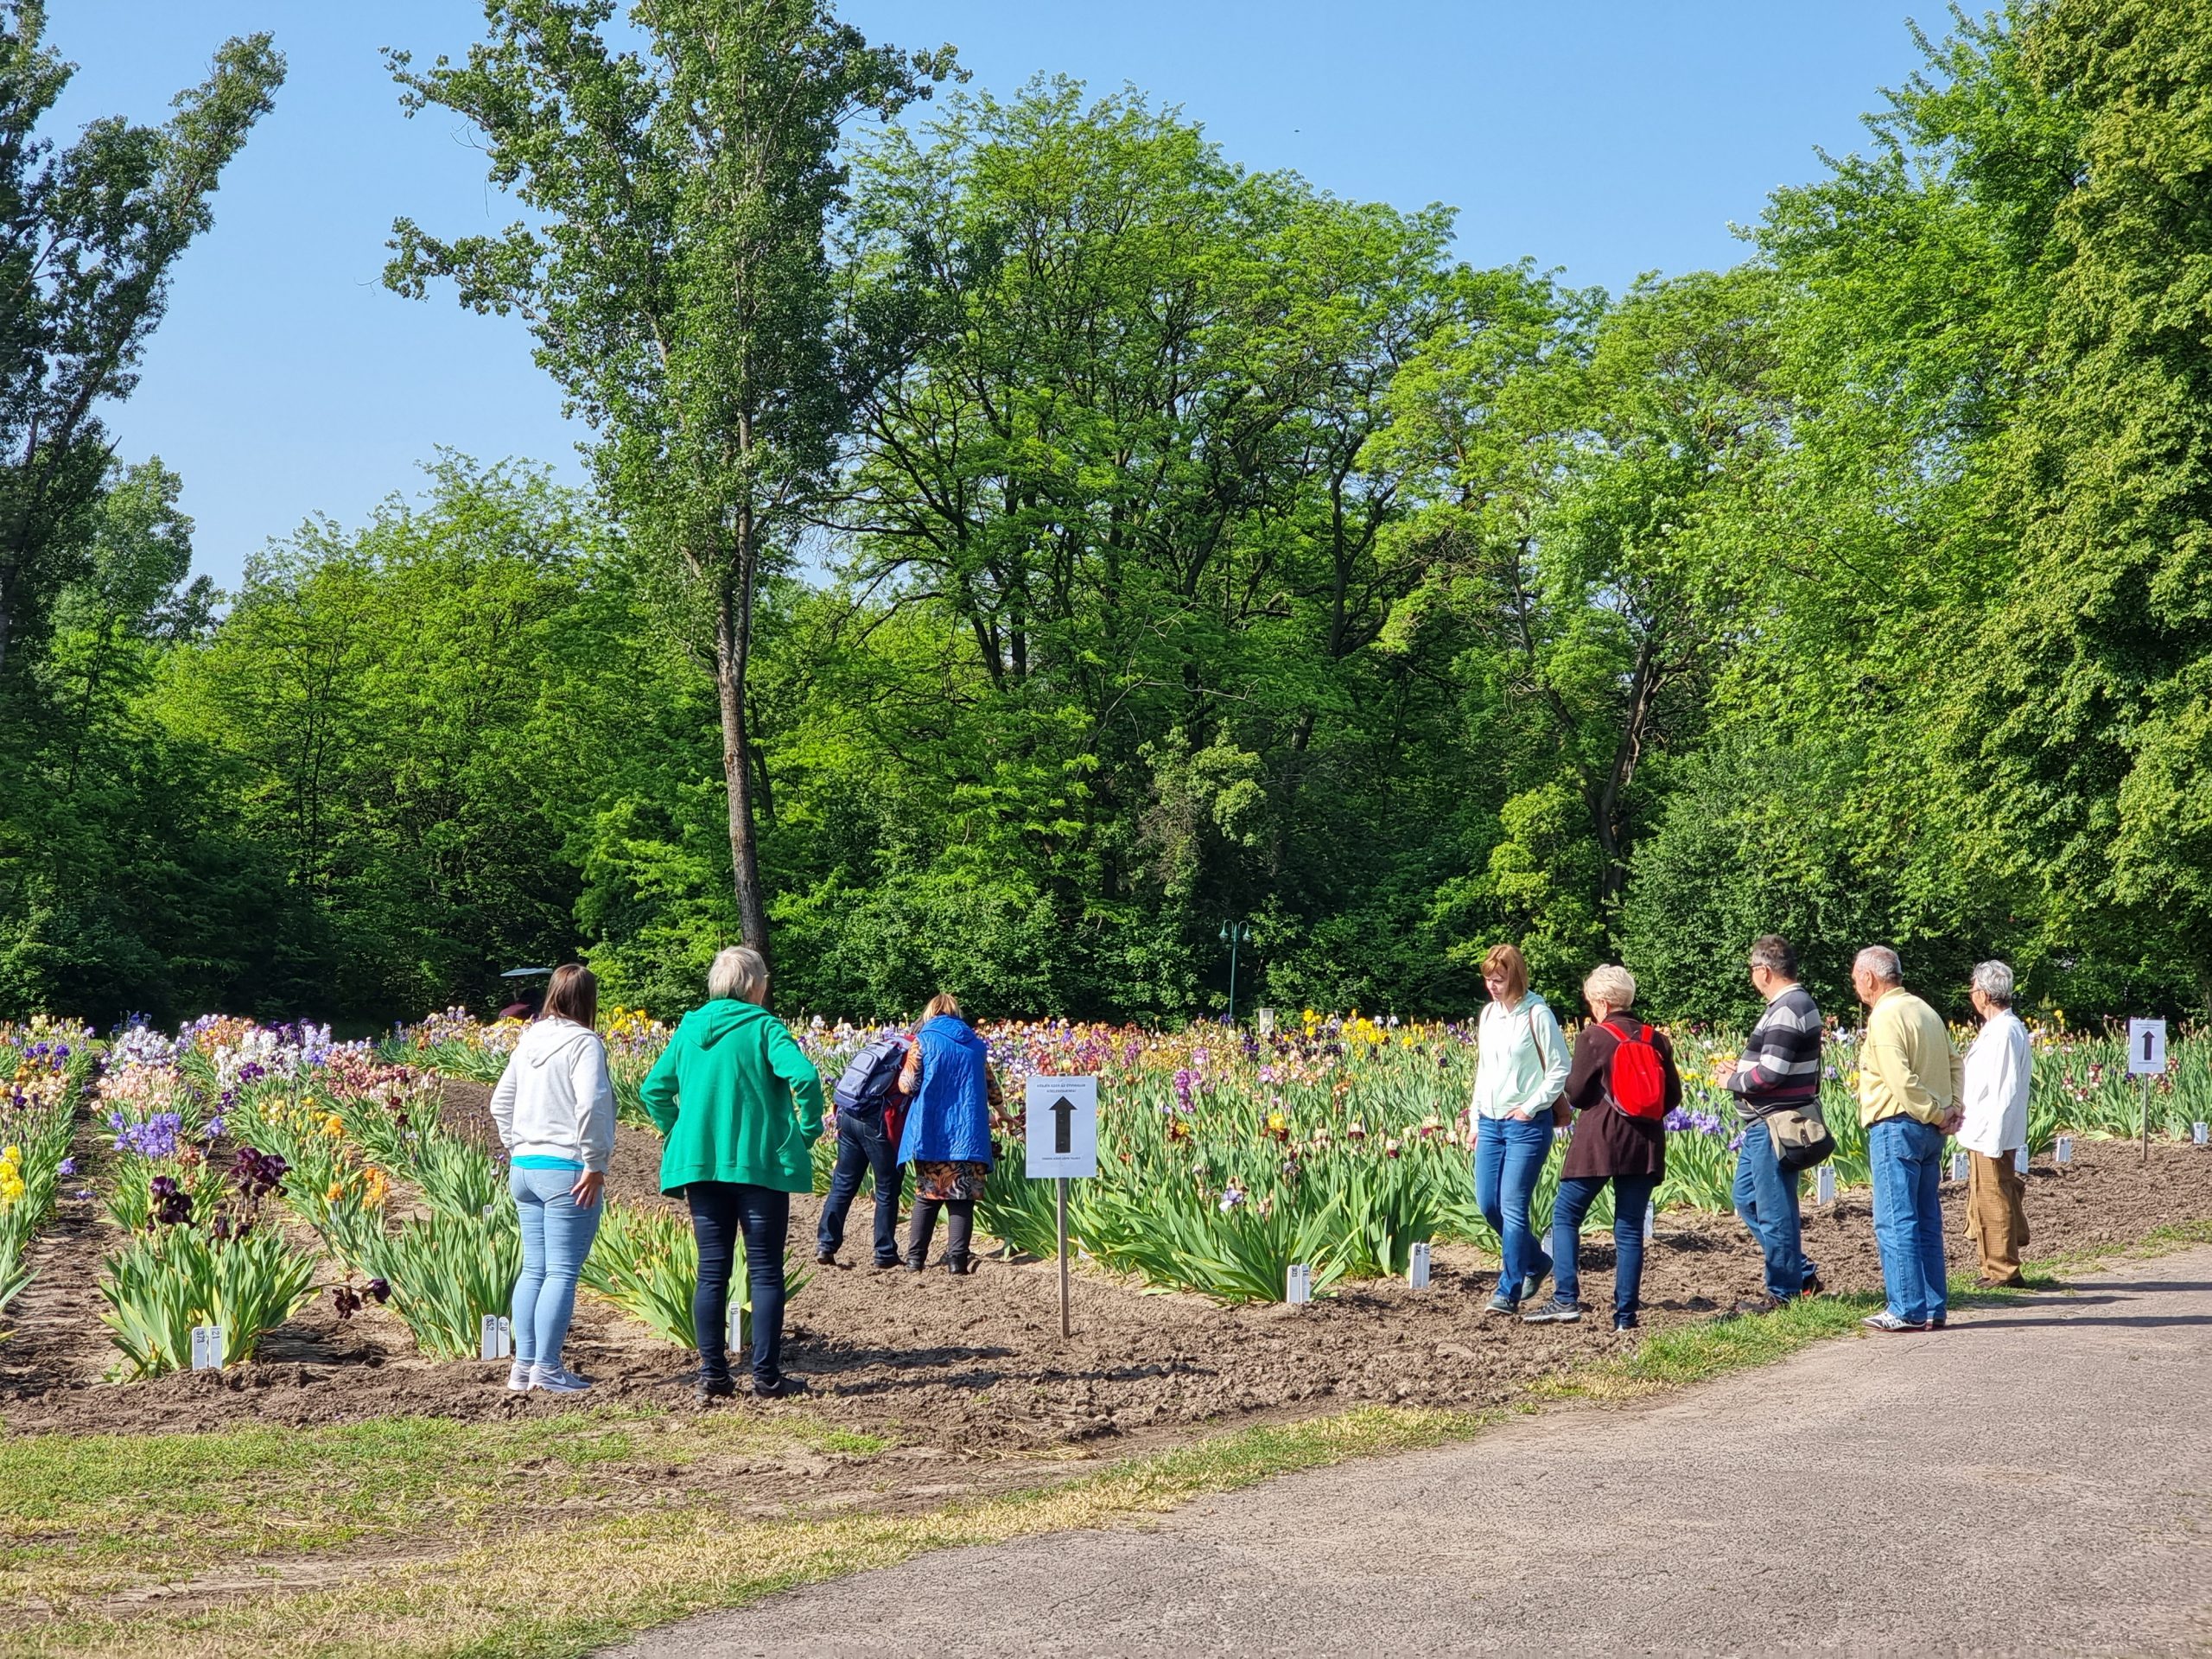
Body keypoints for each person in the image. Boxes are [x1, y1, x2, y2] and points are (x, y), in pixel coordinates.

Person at [639, 945, 824, 1401]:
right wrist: (806, 1132)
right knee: (764, 1271)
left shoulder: (688, 1031)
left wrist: (677, 1129)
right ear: (754, 986)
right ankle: (766, 1377)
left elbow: (653, 1091)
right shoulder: (764, 1028)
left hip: (701, 1166)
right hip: (759, 1166)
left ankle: (713, 1376)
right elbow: (805, 1078)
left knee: (712, 1270)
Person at [1525, 964, 1680, 1331]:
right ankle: (1625, 1316)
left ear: (1602, 1002)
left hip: (1599, 1141)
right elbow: (1672, 1096)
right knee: (1628, 1228)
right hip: (1645, 1144)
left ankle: (1565, 1298)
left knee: (1566, 1216)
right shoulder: (1655, 1039)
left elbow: (1577, 1095)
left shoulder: (1594, 1037)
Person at [487, 962, 614, 1394]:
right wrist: (595, 1164)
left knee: (534, 1269)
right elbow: (592, 1105)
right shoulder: (584, 1043)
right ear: (588, 999)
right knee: (561, 1272)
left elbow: (500, 1102)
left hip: (524, 1168)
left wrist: (517, 1145)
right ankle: (547, 1367)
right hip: (567, 1170)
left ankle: (522, 1368)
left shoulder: (529, 1039)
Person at [1853, 944, 1965, 1333]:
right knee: (1926, 1220)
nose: (1856, 988)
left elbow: (1900, 1080)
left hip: (1896, 1126)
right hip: (1930, 1133)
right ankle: (1933, 1306)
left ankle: (1906, 1308)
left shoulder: (1885, 1016)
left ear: (1869, 977)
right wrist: (1951, 1108)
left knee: (1895, 1220)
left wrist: (1936, 1111)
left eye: (1855, 980)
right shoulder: (1924, 1010)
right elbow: (1955, 1061)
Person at [1721, 934, 1826, 1313]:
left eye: (1752, 970)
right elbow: (1775, 1065)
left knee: (1773, 1208)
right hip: (1765, 1124)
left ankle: (1784, 1292)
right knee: (1747, 1199)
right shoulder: (1792, 1005)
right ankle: (1800, 1273)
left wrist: (1731, 1080)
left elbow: (1773, 1073)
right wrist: (1743, 1069)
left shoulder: (1787, 1008)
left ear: (1764, 971)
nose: (1751, 977)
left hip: (1774, 1125)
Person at [1469, 944, 1571, 1316]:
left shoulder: (1538, 1014)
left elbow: (1560, 1067)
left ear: (1516, 976)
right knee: (1487, 1204)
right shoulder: (1488, 1015)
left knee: (1513, 1206)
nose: (1492, 986)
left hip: (1526, 1125)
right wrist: (1475, 1119)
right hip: (1491, 1122)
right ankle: (1536, 1261)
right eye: (1488, 979)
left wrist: (1530, 1108)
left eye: (1499, 979)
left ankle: (1507, 1291)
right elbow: (1484, 1070)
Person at [895, 993, 1001, 1274]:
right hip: (969, 1133)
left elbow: (906, 1085)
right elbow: (991, 1085)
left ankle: (915, 1261)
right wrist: (1002, 1112)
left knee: (927, 1197)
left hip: (932, 1131)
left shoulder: (924, 1041)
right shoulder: (976, 1045)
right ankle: (957, 1262)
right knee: (962, 1199)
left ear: (931, 1014)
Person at [1959, 959, 2032, 1288]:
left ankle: (2003, 1268)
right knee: (1987, 1196)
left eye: (1974, 990)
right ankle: (1992, 1265)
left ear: (1985, 995)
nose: (1972, 996)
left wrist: (1994, 1138)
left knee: (1995, 1196)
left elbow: (2005, 1088)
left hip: (1992, 1131)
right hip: (1984, 1129)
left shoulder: (2004, 1031)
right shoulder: (2000, 1028)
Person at [817, 1028, 911, 1269]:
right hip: (876, 1120)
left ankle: (825, 1245)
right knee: (887, 1187)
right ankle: (885, 1252)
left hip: (849, 1112)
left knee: (843, 1183)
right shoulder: (915, 1052)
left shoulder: (889, 1043)